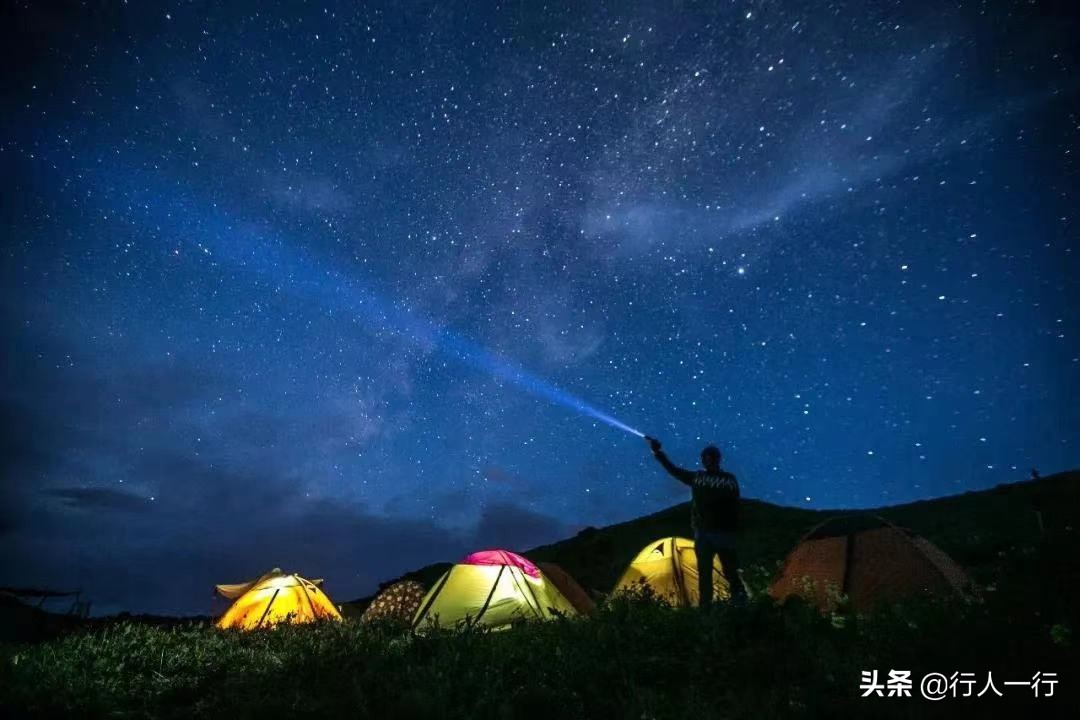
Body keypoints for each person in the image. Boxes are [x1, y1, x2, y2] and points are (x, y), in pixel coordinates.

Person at [644, 436, 747, 608]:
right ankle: (707, 608)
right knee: (705, 574)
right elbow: (674, 470)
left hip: (722, 533)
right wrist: (658, 452)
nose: (708, 461)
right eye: (706, 458)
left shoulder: (727, 479)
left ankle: (739, 604)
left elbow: (736, 505)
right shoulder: (699, 477)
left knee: (729, 571)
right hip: (705, 534)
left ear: (717, 459)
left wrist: (734, 528)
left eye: (711, 458)